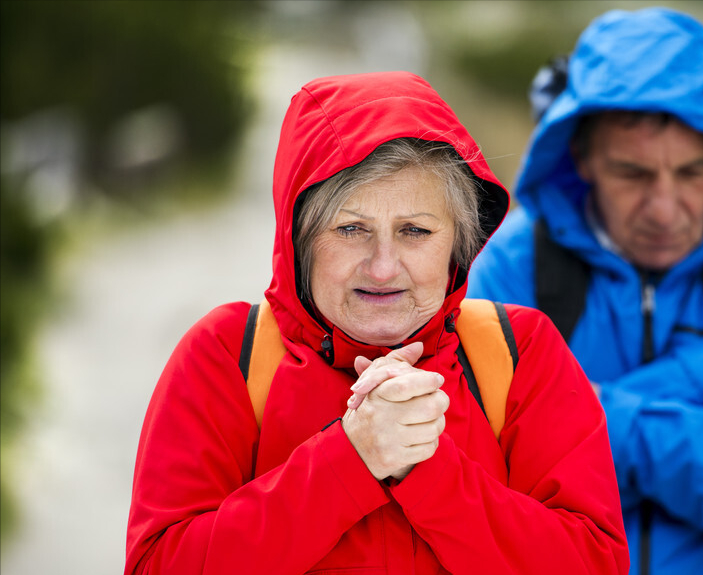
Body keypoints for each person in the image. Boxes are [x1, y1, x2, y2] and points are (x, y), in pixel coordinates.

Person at [125, 72, 629, 574]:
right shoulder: (227, 355)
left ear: (458, 242)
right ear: (299, 240)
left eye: (415, 230)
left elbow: (593, 563)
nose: (384, 267)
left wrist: (427, 471)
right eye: (350, 229)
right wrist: (350, 458)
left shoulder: (518, 351)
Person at [467, 8, 703, 575]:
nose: (666, 209)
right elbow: (495, 482)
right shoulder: (512, 262)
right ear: (582, 157)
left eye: (694, 172)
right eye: (633, 173)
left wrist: (574, 427)